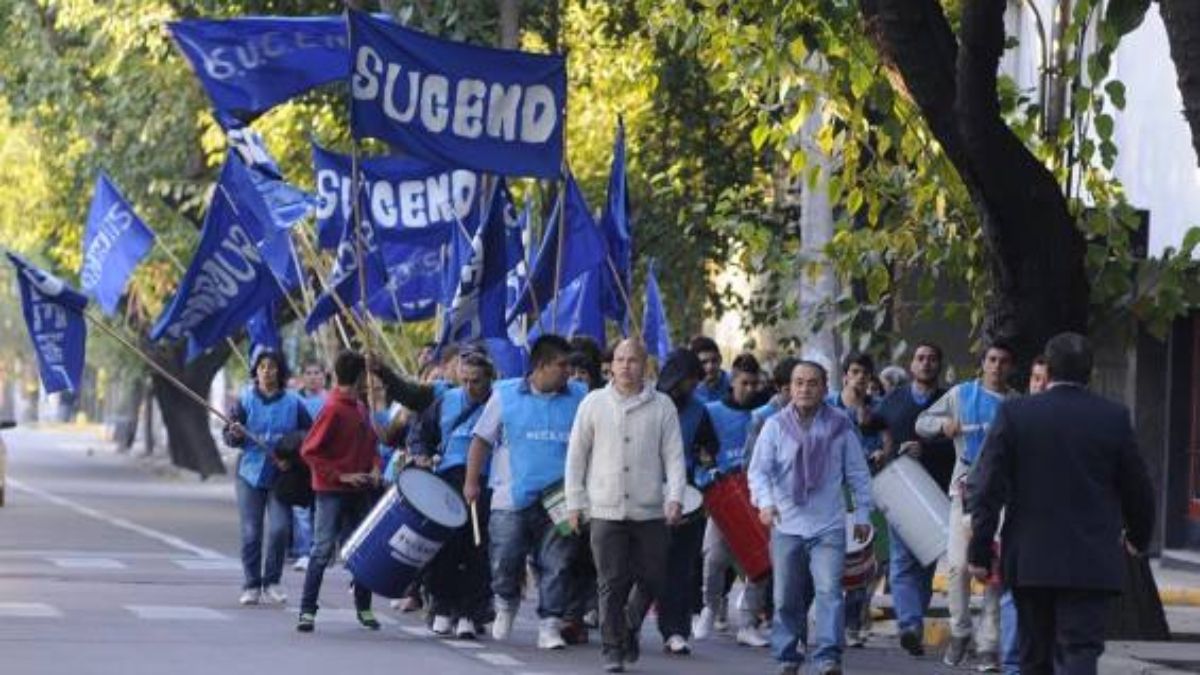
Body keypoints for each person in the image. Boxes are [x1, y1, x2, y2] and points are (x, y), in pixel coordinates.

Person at [968, 333, 1155, 675]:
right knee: (1080, 650)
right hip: (1089, 560)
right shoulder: (1112, 418)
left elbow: (986, 487)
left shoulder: (1016, 414)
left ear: (1048, 370)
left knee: (1033, 655)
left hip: (1030, 559)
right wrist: (1138, 536)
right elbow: (1138, 488)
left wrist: (980, 549)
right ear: (1090, 372)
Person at [565, 339, 687, 672]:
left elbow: (674, 457)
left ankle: (630, 624)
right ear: (611, 365)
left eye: (632, 360)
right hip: (605, 507)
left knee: (653, 576)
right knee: (611, 580)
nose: (625, 366)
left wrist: (675, 497)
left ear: (644, 365)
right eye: (619, 360)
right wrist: (574, 502)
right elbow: (576, 457)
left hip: (649, 509)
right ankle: (611, 648)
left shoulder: (662, 405)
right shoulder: (593, 403)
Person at [464, 334, 588, 650]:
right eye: (562, 365)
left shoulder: (580, 396)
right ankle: (505, 601)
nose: (568, 372)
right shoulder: (504, 395)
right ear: (541, 366)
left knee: (558, 562)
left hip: (561, 498)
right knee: (505, 558)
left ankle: (549, 625)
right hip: (510, 496)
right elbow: (481, 440)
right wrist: (472, 481)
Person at [749, 361, 873, 675]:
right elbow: (759, 472)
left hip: (828, 525)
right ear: (790, 388)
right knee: (785, 597)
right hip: (786, 524)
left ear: (825, 387)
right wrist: (765, 503)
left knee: (830, 591)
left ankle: (828, 657)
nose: (805, 389)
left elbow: (858, 473)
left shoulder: (841, 425)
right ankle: (788, 656)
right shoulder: (775, 425)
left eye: (812, 383)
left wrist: (862, 514)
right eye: (799, 383)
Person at [915, 340, 1016, 669]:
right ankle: (960, 630)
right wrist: (943, 426)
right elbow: (922, 422)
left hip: (1002, 496)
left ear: (1011, 367)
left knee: (993, 572)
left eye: (1003, 361)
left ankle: (988, 645)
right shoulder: (961, 395)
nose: (997, 366)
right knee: (958, 565)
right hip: (965, 492)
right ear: (982, 364)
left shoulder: (1016, 404)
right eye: (992, 360)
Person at [626, 348, 719, 656]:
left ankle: (675, 630)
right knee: (645, 568)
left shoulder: (699, 411)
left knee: (680, 569)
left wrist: (707, 459)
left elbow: (709, 449)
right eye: (690, 380)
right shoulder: (643, 403)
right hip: (646, 496)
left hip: (686, 498)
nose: (693, 387)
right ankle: (629, 626)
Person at [866, 342, 953, 656]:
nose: (926, 363)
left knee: (926, 561)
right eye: (920, 358)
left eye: (932, 358)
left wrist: (926, 449)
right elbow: (871, 428)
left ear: (939, 365)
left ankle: (912, 621)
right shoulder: (893, 400)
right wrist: (879, 451)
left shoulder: (950, 400)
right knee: (902, 562)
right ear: (911, 365)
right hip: (901, 489)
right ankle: (910, 626)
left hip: (938, 492)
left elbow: (961, 443)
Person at [407, 349, 497, 639]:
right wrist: (421, 455)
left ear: (489, 380)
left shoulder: (500, 404)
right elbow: (420, 434)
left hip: (484, 482)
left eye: (477, 381)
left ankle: (470, 613)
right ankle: (442, 607)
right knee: (445, 548)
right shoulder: (445, 400)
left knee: (475, 549)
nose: (470, 387)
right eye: (466, 380)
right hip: (446, 481)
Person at [296, 350, 383, 633]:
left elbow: (372, 446)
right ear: (359, 376)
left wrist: (375, 466)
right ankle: (307, 610)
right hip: (331, 491)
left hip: (361, 491)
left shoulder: (361, 407)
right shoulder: (333, 408)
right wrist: (341, 475)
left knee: (363, 551)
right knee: (322, 550)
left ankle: (364, 607)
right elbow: (309, 451)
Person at [223, 347, 312, 606]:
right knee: (251, 531)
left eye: (272, 367)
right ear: (256, 371)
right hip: (249, 473)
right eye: (262, 367)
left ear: (280, 371)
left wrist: (292, 457)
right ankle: (251, 584)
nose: (267, 372)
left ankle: (272, 581)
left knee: (280, 529)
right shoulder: (245, 400)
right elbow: (229, 436)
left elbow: (310, 436)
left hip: (281, 476)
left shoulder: (294, 402)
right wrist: (236, 433)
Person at [695, 353, 772, 647]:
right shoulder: (711, 412)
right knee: (714, 557)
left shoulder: (767, 414)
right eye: (744, 382)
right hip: (726, 496)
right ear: (733, 380)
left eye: (755, 383)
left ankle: (748, 623)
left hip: (760, 496)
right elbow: (700, 454)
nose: (750, 389)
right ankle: (710, 608)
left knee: (761, 561)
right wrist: (709, 476)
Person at [825, 352, 882, 647]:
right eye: (855, 372)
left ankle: (852, 623)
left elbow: (887, 444)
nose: (860, 378)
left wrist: (880, 451)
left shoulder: (878, 410)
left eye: (865, 373)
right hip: (832, 494)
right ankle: (830, 622)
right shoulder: (828, 407)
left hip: (864, 494)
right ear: (845, 375)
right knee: (834, 560)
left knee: (863, 560)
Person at [290, 359, 328, 572]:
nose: (313, 377)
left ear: (324, 376)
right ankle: (303, 552)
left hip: (324, 460)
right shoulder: (294, 400)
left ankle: (320, 550)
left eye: (317, 373)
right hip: (300, 461)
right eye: (309, 373)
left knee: (321, 508)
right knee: (301, 510)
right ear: (303, 377)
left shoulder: (331, 400)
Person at [690, 336, 730, 404]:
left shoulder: (733, 384)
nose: (710, 367)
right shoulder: (689, 390)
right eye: (704, 362)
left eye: (714, 361)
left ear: (720, 359)